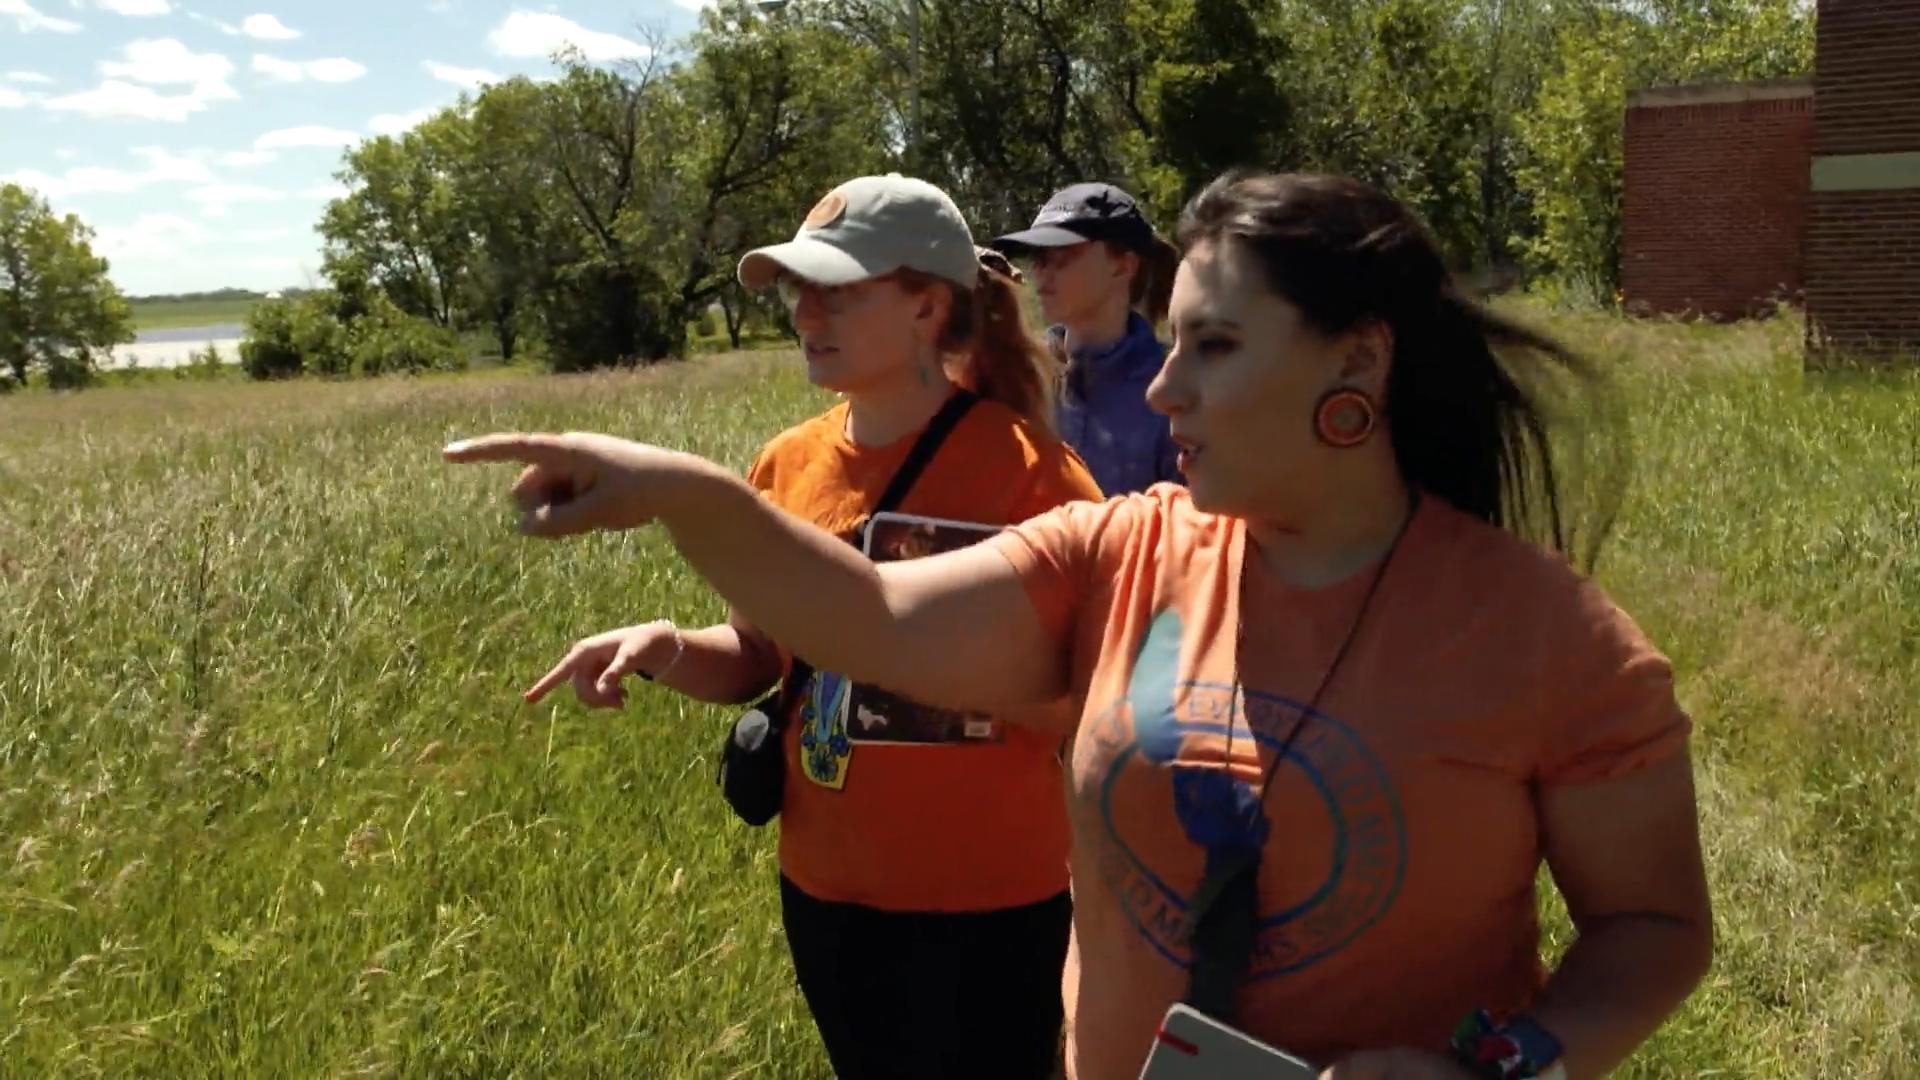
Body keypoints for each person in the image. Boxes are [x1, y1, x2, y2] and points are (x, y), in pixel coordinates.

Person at [446, 171, 1714, 1080]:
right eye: (1174, 343)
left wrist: (1505, 1065)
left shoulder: (1553, 642)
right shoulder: (1121, 550)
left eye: (1212, 347)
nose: (1164, 388)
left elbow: (1653, 931)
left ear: (1358, 366)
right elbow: (873, 616)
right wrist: (687, 492)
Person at [508, 175, 1102, 1079]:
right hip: (827, 889)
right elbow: (757, 656)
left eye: (840, 288)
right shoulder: (788, 463)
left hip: (994, 896)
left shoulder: (1035, 476)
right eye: (797, 288)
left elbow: (1092, 700)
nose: (805, 313)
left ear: (925, 304)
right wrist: (663, 647)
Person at [989, 181, 1184, 496]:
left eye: (1062, 253)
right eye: (1038, 256)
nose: (1041, 271)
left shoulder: (1174, 391)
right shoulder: (1017, 376)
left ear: (1123, 265)